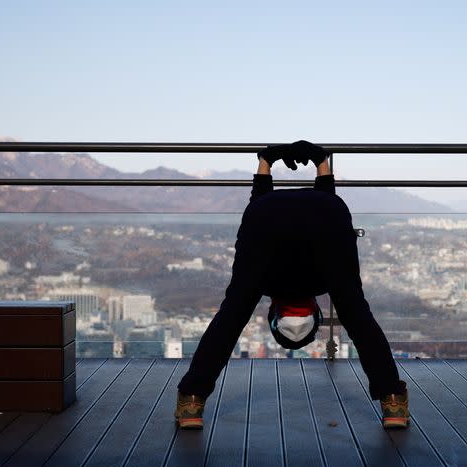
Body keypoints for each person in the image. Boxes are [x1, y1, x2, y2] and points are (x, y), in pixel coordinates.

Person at [175, 141, 409, 429]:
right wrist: (267, 160)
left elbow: (323, 208)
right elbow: (260, 202)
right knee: (232, 317)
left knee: (356, 316)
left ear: (315, 312)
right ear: (273, 313)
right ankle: (191, 400)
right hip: (272, 213)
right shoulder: (262, 281)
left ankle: (394, 401)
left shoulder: (320, 280)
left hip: (324, 210)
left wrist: (319, 160)